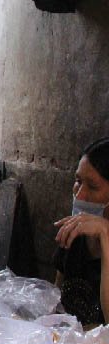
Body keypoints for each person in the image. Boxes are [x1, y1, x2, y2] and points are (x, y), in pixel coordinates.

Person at [54, 137, 109, 326]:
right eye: (78, 181)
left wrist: (105, 234)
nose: (79, 194)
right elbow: (57, 303)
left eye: (93, 187)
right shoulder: (73, 235)